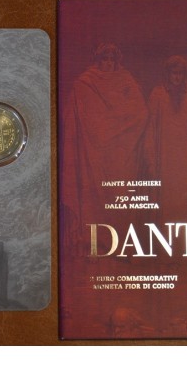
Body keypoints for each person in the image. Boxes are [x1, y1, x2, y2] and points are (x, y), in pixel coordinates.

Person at [61, 43, 148, 245]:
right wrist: (97, 130)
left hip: (121, 152)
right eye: (104, 59)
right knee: (92, 194)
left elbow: (141, 113)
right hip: (92, 152)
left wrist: (116, 127)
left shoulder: (126, 80)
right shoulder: (84, 83)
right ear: (97, 60)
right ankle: (94, 241)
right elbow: (73, 118)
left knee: (120, 196)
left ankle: (121, 243)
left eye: (112, 59)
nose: (108, 63)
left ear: (117, 61)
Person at [145, 55, 187, 220]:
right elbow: (150, 131)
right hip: (166, 163)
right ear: (168, 73)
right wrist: (151, 163)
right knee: (167, 208)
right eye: (174, 73)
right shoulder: (157, 95)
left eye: (180, 73)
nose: (177, 77)